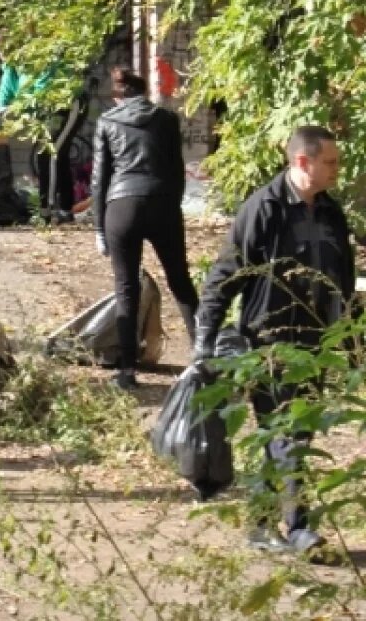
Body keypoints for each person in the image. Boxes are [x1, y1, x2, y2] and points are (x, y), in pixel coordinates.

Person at [194, 125, 352, 558]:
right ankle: (298, 527)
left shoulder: (331, 213)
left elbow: (341, 284)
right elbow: (226, 273)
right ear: (303, 162)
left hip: (316, 344)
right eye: (331, 162)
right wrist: (204, 334)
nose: (338, 169)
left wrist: (352, 346)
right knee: (288, 434)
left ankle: (263, 526)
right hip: (270, 342)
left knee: (287, 434)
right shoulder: (263, 209)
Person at [91, 67, 199, 390]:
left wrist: (99, 227)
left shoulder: (108, 122)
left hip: (122, 206)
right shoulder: (166, 119)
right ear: (144, 93)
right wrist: (172, 204)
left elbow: (100, 180)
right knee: (180, 280)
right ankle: (203, 359)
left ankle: (126, 371)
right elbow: (177, 170)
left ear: (116, 97)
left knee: (126, 287)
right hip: (162, 201)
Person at [0, 41, 81, 223]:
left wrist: (21, 107)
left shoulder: (39, 58)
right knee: (55, 157)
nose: (3, 57)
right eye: (0, 54)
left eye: (5, 52)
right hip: (44, 111)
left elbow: (42, 91)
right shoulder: (11, 68)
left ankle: (46, 211)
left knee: (50, 154)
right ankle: (65, 209)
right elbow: (5, 94)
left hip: (64, 107)